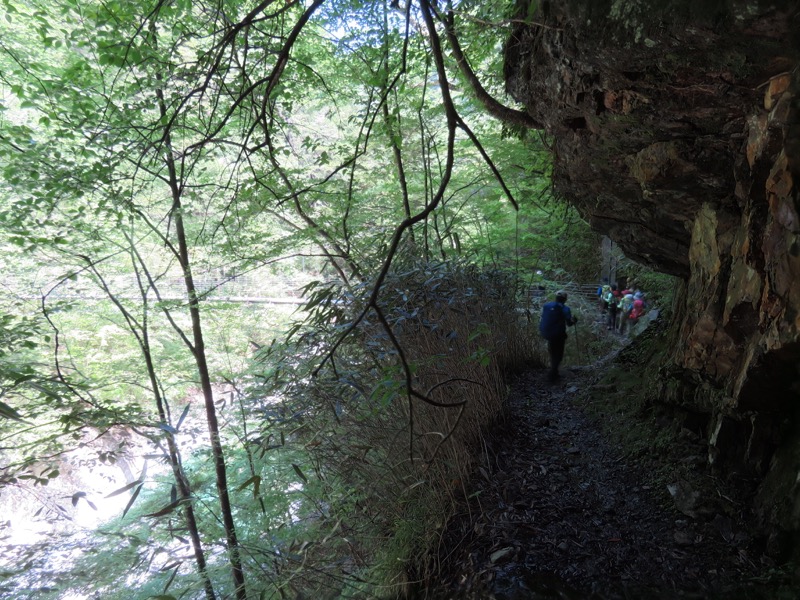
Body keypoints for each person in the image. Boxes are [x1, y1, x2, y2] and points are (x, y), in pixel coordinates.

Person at [539, 290, 578, 382]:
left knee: (552, 352)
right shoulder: (565, 309)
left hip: (547, 333)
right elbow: (569, 323)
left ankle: (553, 371)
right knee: (558, 354)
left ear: (556, 298)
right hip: (559, 334)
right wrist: (574, 321)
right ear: (565, 299)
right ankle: (553, 374)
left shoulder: (546, 306)